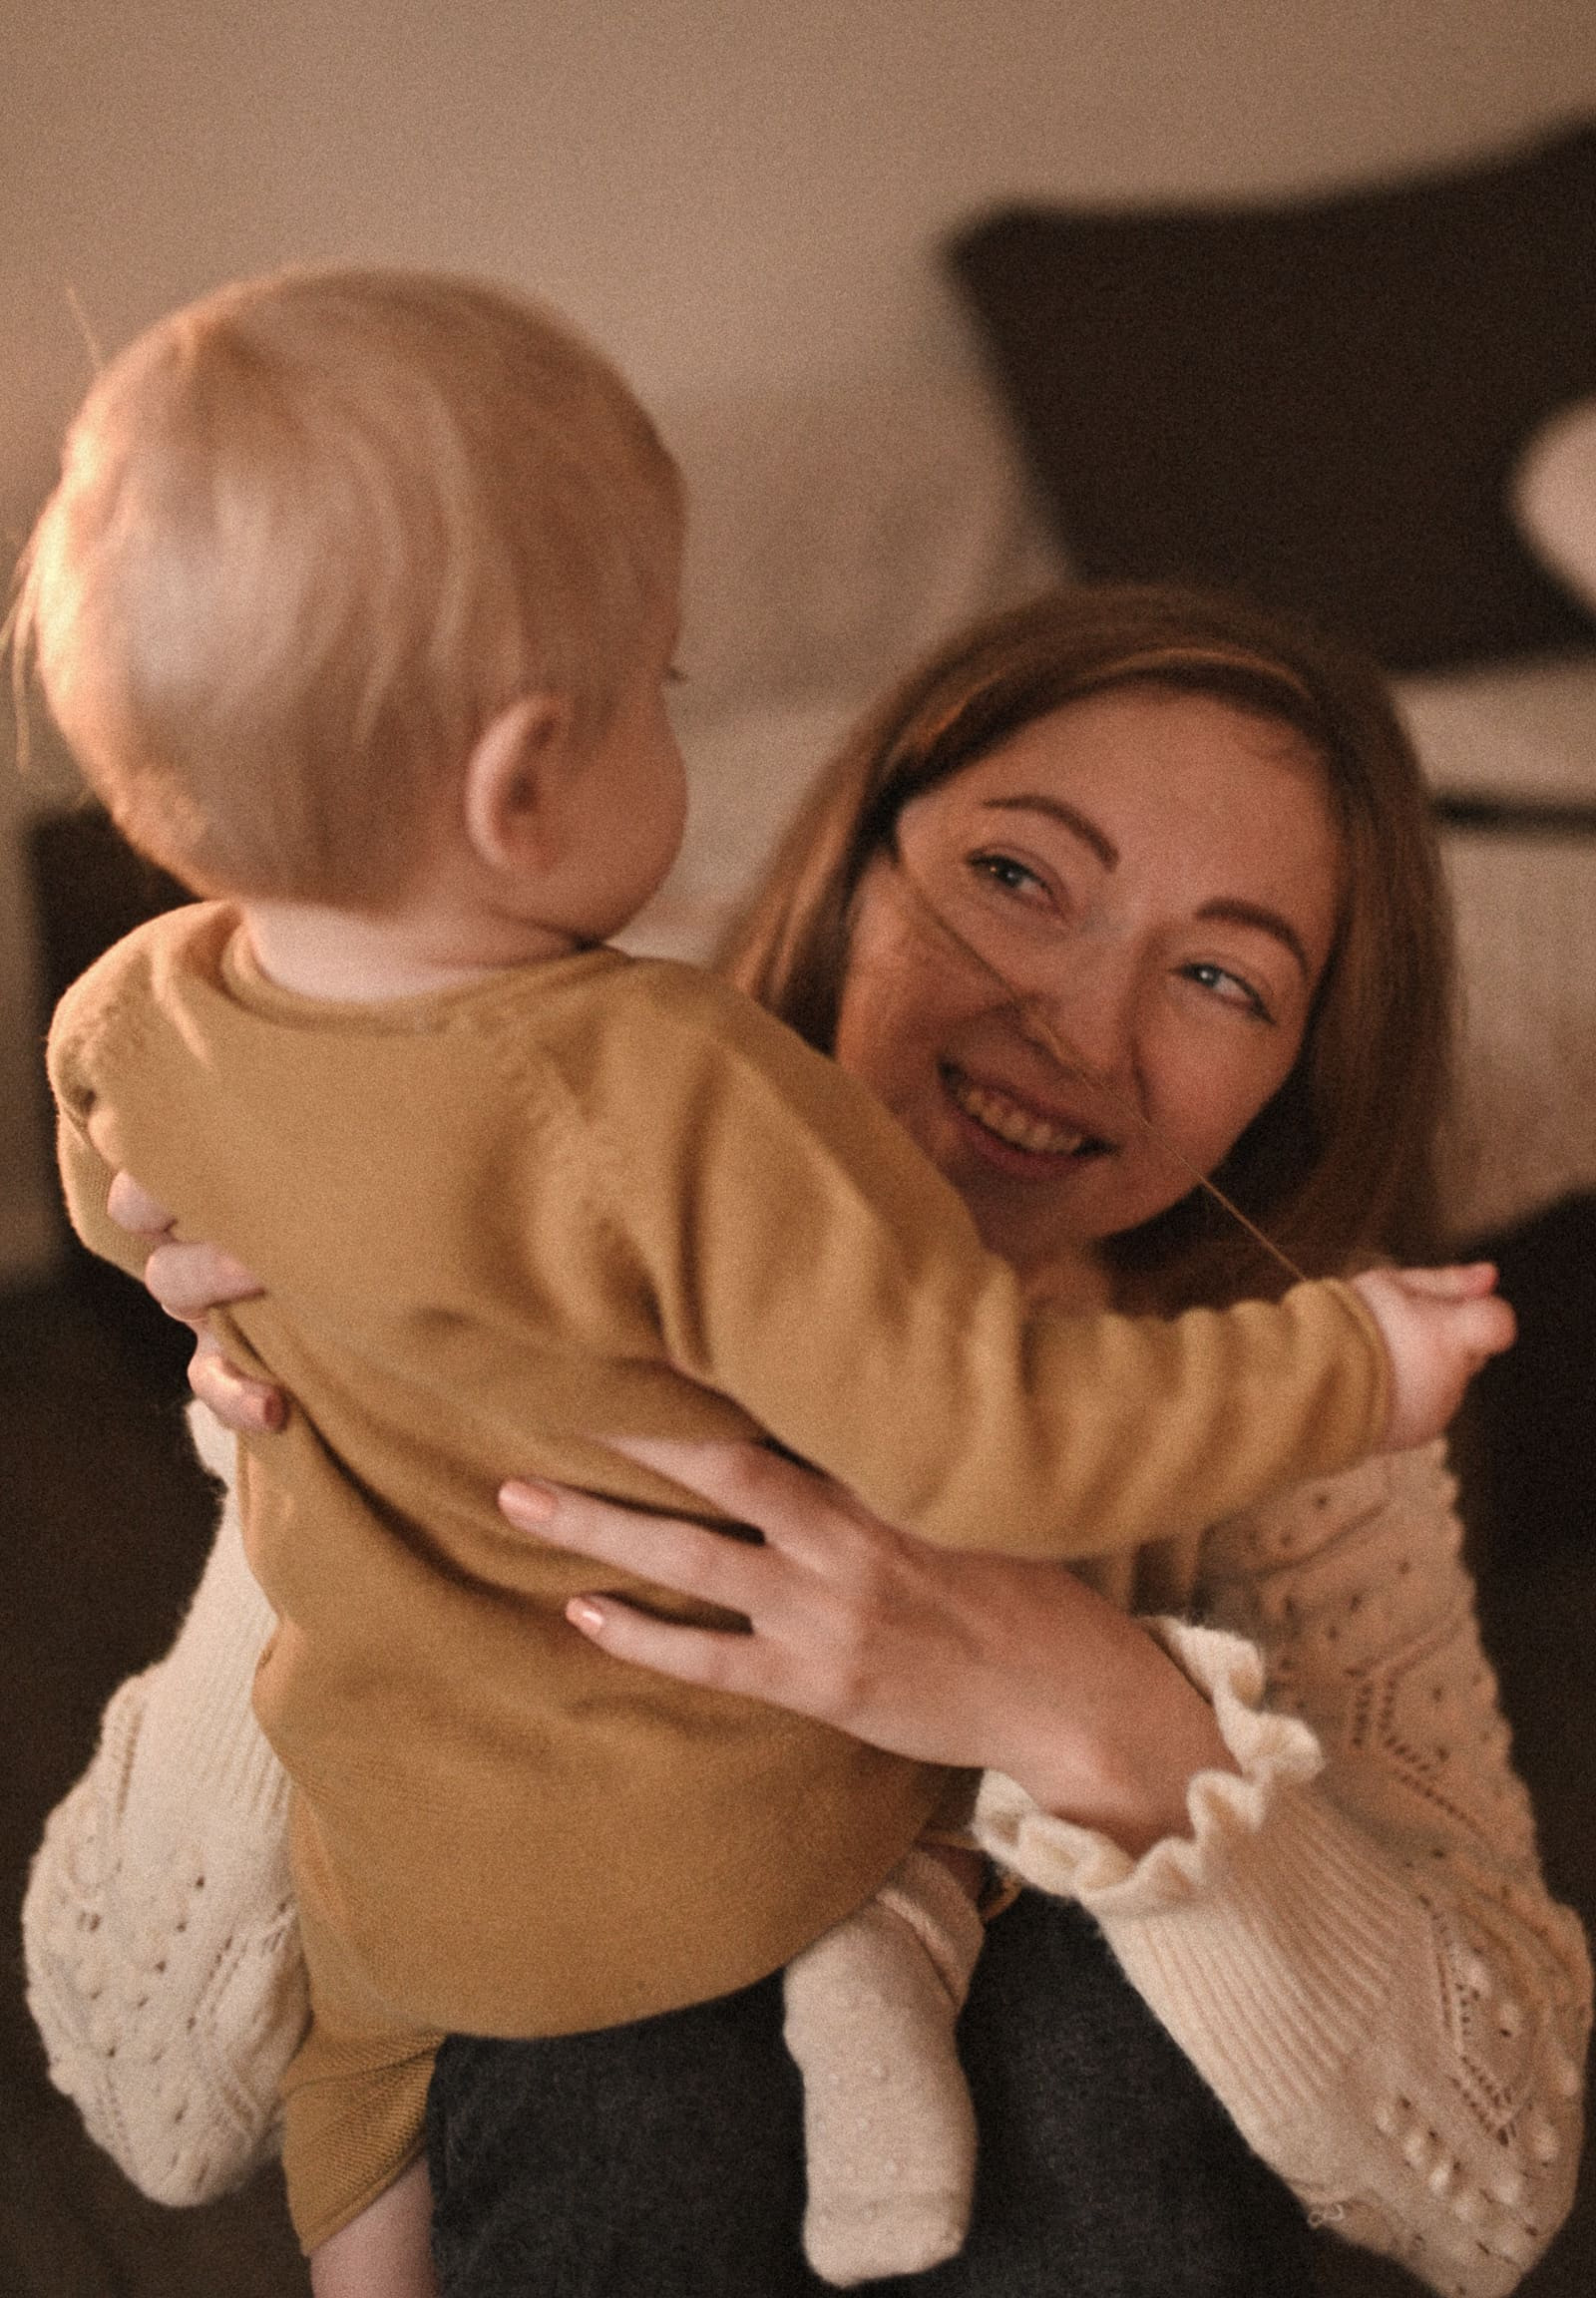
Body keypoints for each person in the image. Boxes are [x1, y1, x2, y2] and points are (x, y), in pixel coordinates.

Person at [15, 270, 1500, 2296]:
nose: (1077, 1026)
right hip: (542, 1988)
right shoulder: (568, 1146)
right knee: (608, 2085)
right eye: (1016, 876)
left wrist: (1100, 1716)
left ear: (1295, 1077)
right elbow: (157, 2097)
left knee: (1102, 2022)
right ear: (850, 852)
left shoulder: (161, 1012)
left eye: (1223, 978)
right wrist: (304, 1440)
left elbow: (1490, 2188)